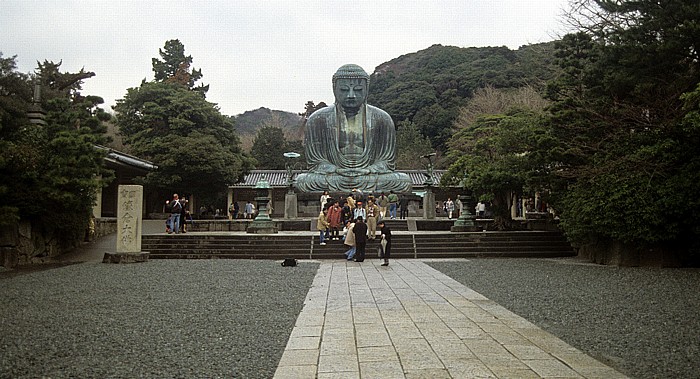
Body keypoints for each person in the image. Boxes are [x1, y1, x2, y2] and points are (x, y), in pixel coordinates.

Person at [294, 64, 412, 193]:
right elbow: (316, 162)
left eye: (358, 90)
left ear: (366, 89)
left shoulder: (382, 118)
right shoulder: (318, 119)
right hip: (335, 175)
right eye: (344, 90)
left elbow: (386, 161)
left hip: (369, 175)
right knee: (302, 181)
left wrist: (369, 170)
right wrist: (334, 169)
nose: (351, 95)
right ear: (334, 89)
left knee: (403, 181)